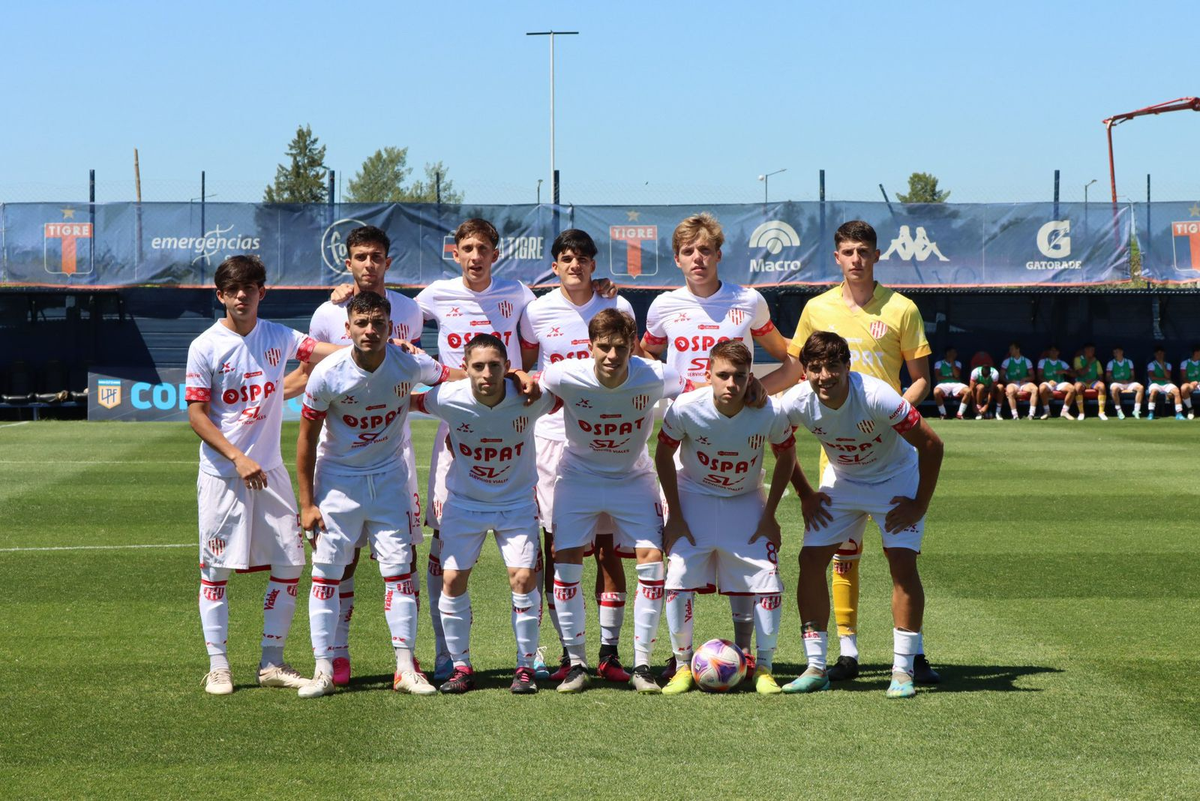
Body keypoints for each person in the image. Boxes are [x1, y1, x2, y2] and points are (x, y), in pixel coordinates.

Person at [760, 220, 935, 686]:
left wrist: (897, 413)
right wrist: (747, 396)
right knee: (839, 555)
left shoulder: (902, 308)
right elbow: (797, 370)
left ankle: (908, 660)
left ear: (876, 255)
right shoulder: (817, 309)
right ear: (837, 258)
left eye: (864, 251)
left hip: (891, 439)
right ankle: (844, 653)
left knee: (900, 557)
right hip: (837, 453)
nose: (856, 258)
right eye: (847, 252)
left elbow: (921, 377)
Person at [640, 212, 800, 673]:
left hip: (737, 432)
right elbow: (645, 356)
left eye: (705, 250)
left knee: (746, 556)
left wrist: (759, 396)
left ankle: (751, 657)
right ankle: (677, 660)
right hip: (686, 431)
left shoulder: (748, 301)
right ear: (677, 258)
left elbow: (788, 360)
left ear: (718, 254)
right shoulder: (663, 306)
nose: (697, 258)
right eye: (689, 251)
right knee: (681, 558)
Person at [184, 254, 340, 696]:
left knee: (291, 561)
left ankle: (272, 661)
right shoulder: (205, 346)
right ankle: (218, 666)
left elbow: (325, 352)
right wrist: (236, 457)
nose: (240, 296)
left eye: (249, 288)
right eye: (232, 290)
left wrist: (376, 349)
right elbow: (196, 414)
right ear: (221, 296)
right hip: (223, 475)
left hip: (269, 472)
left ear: (261, 293)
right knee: (215, 569)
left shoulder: (278, 336)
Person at [283, 224, 425, 688]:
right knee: (333, 567)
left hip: (393, 463)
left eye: (376, 256)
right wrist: (263, 401)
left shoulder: (411, 311)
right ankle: (332, 660)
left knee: (400, 563)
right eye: (360, 256)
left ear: (387, 260)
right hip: (339, 472)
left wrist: (514, 378)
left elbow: (433, 370)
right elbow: (310, 380)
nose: (368, 263)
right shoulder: (328, 317)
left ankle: (407, 664)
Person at [294, 291, 455, 698]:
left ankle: (405, 668)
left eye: (378, 323)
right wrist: (307, 503)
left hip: (389, 481)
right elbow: (306, 439)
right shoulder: (327, 372)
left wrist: (509, 376)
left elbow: (452, 376)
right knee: (327, 574)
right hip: (337, 482)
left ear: (391, 327)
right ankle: (324, 669)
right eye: (362, 323)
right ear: (347, 328)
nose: (370, 330)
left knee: (400, 572)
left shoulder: (410, 362)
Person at [779, 331, 944, 699]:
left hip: (896, 481)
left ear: (847, 367)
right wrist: (806, 494)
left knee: (901, 564)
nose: (824, 376)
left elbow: (932, 445)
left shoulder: (876, 396)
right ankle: (815, 667)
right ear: (805, 371)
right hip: (843, 481)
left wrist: (919, 504)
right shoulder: (797, 402)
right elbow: (780, 443)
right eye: (815, 368)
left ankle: (902, 672)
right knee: (810, 559)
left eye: (833, 367)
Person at [539, 309, 690, 693]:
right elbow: (530, 384)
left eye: (619, 347)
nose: (611, 355)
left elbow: (698, 388)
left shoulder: (657, 375)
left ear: (632, 346)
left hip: (632, 478)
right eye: (603, 347)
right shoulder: (563, 374)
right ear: (589, 347)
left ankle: (642, 665)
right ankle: (576, 663)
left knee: (652, 561)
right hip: (578, 476)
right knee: (566, 559)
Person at [412, 218, 537, 682]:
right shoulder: (435, 294)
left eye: (483, 247)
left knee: (523, 567)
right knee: (445, 554)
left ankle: (530, 656)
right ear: (455, 252)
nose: (475, 255)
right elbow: (394, 316)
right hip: (456, 423)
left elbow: (556, 327)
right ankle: (448, 655)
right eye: (467, 248)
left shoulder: (520, 293)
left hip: (510, 415)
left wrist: (603, 290)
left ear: (495, 253)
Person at [518, 228, 639, 684]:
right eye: (566, 258)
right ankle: (573, 655)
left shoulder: (618, 307)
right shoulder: (536, 310)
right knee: (560, 548)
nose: (575, 265)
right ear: (555, 265)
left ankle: (609, 654)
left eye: (583, 258)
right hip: (553, 438)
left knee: (608, 550)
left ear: (593, 264)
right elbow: (530, 365)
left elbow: (636, 359)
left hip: (608, 437)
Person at [410, 335, 559, 694]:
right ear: (465, 368)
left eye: (495, 365)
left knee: (523, 580)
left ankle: (525, 666)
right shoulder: (448, 397)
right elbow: (409, 401)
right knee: (451, 581)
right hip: (464, 503)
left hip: (517, 503)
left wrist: (527, 376)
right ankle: (461, 665)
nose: (487, 373)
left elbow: (565, 395)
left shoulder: (530, 398)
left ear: (507, 367)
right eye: (478, 366)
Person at [654, 340, 796, 696]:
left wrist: (770, 514)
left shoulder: (769, 411)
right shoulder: (686, 407)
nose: (731, 383)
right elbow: (663, 454)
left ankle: (763, 668)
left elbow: (787, 456)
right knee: (678, 577)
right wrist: (674, 514)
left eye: (740, 376)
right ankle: (682, 666)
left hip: (745, 499)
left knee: (767, 579)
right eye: (723, 375)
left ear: (751, 378)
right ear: (708, 374)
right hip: (695, 497)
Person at [1000, 342, 1038, 420]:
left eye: (1012, 349)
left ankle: (1031, 414)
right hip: (1012, 384)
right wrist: (1009, 381)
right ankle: (1015, 415)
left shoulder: (1027, 361)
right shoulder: (1006, 361)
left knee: (1035, 389)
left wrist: (1025, 379)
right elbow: (1001, 376)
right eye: (1010, 349)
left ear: (1018, 349)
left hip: (1024, 384)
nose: (1010, 351)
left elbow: (1033, 376)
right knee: (1010, 392)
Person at [1037, 345, 1075, 420]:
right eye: (1052, 350)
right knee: (1042, 388)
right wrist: (1048, 381)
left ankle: (1064, 411)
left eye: (1055, 351)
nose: (1053, 352)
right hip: (1048, 383)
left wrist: (1064, 371)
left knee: (1072, 389)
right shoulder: (1043, 361)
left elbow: (1074, 374)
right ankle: (1047, 411)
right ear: (1048, 352)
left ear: (1058, 352)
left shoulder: (1062, 363)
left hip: (1060, 383)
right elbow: (1039, 375)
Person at [1146, 347, 1183, 420]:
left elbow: (1168, 376)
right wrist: (1165, 379)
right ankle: (1151, 413)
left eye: (1161, 353)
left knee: (1176, 391)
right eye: (1158, 353)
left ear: (1164, 354)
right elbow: (1152, 377)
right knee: (1154, 392)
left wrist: (1162, 364)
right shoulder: (1151, 364)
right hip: (1155, 384)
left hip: (1166, 384)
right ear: (1155, 354)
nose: (1159, 355)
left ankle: (1179, 413)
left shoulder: (1168, 365)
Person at [1072, 343, 1108, 421]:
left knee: (1102, 386)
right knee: (1077, 386)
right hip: (1082, 381)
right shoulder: (1078, 359)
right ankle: (1081, 413)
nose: (1092, 352)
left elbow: (1101, 376)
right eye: (1090, 350)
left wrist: (1095, 380)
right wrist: (1089, 362)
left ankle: (1101, 412)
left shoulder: (1096, 361)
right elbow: (1081, 373)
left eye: (1093, 350)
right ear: (1085, 350)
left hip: (1093, 382)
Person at [1106, 347, 1143, 420]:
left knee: (1140, 388)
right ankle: (1119, 410)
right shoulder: (1111, 363)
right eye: (1114, 352)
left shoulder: (1129, 362)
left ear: (1121, 352)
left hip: (1128, 383)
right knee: (1114, 389)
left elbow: (1132, 376)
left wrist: (1128, 381)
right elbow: (1108, 378)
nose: (1115, 354)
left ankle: (1136, 410)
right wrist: (1119, 381)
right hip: (1117, 383)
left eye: (1116, 352)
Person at [931, 346, 966, 420]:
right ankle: (943, 413)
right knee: (936, 392)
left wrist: (952, 363)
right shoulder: (939, 363)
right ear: (948, 353)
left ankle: (960, 413)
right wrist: (951, 377)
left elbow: (957, 375)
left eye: (956, 353)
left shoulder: (957, 363)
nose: (955, 354)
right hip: (943, 384)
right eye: (953, 352)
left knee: (968, 391)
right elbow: (938, 377)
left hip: (956, 384)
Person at [1179, 345, 1199, 420]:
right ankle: (1190, 409)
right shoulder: (1185, 363)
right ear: (1196, 353)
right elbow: (1183, 377)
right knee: (1184, 388)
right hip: (1190, 384)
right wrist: (1191, 383)